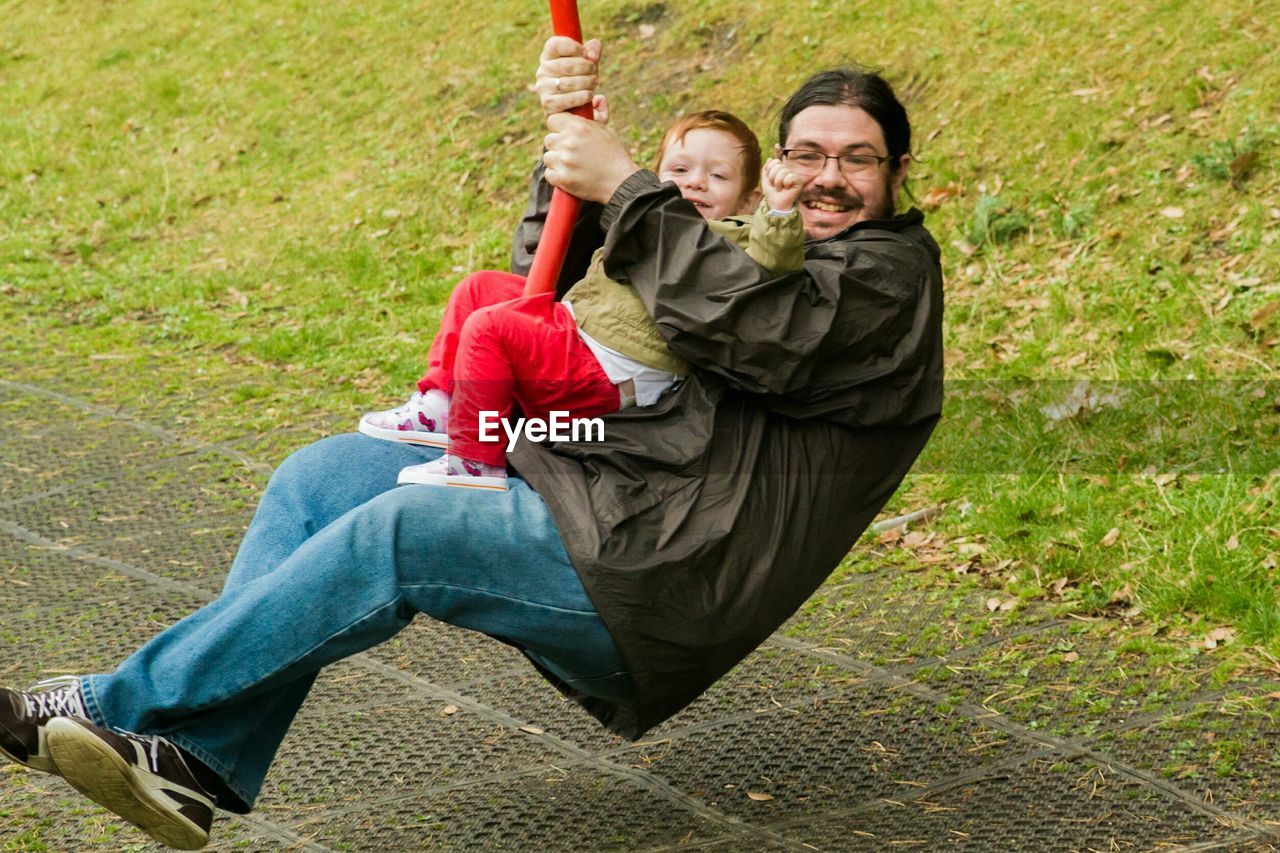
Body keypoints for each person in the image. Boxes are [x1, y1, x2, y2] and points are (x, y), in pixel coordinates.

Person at [0, 35, 943, 850]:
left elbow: (766, 333)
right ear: (780, 162)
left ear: (899, 175)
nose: (829, 176)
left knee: (407, 526)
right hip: (583, 478)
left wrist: (628, 184)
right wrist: (569, 157)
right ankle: (197, 760)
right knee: (322, 476)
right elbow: (579, 290)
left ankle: (111, 705)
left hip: (655, 564)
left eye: (857, 159)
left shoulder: (887, 287)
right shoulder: (752, 244)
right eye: (809, 152)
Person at [356, 109, 806, 490]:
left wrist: (780, 211)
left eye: (718, 175)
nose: (697, 183)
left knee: (492, 329)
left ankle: (475, 460)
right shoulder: (647, 216)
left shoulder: (738, 236)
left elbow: (771, 266)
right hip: (580, 331)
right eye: (680, 170)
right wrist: (587, 152)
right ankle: (441, 406)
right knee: (481, 289)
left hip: (617, 372)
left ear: (748, 198)